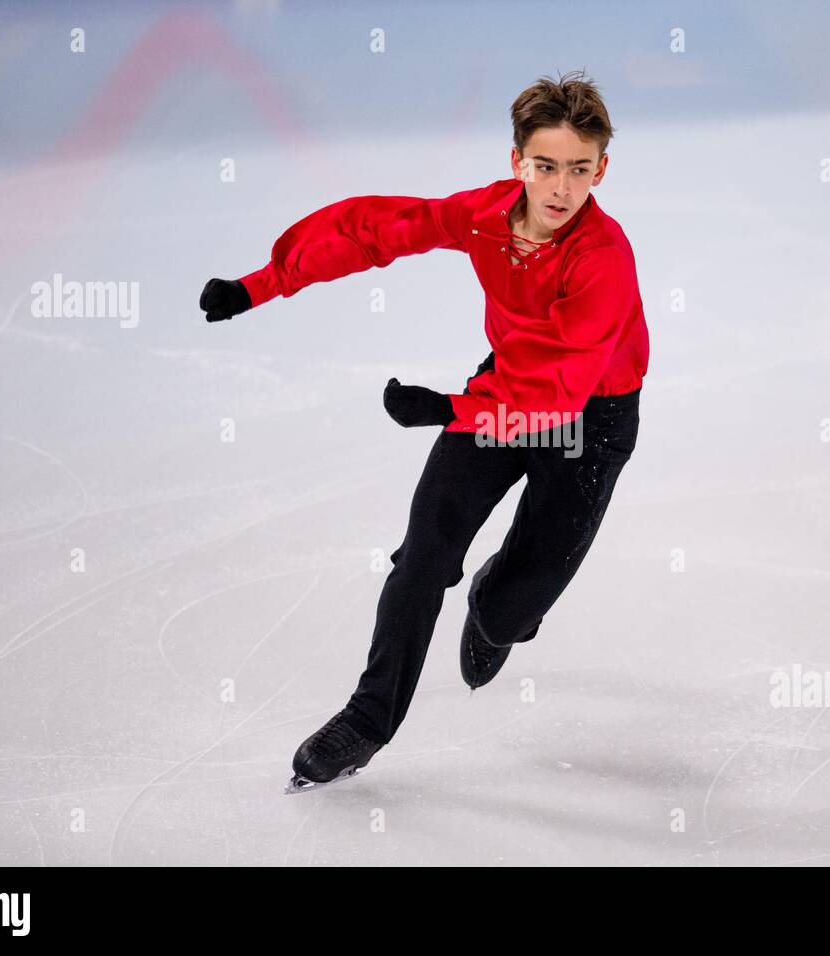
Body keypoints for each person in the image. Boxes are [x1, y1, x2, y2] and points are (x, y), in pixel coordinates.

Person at [198, 70, 649, 790]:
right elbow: (374, 228)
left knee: (511, 610)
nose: (561, 188)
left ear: (603, 168)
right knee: (424, 556)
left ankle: (497, 609)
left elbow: (557, 389)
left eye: (579, 169)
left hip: (585, 423)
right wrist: (260, 284)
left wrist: (448, 410)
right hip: (499, 392)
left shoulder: (603, 259)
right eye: (545, 166)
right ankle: (367, 719)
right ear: (517, 164)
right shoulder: (484, 215)